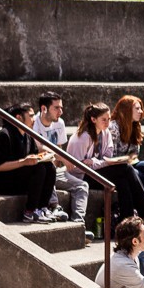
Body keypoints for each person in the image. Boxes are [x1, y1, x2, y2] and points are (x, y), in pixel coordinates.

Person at [67, 103, 144, 222]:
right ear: (93, 119)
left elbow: (107, 158)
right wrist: (100, 163)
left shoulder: (105, 133)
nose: (108, 123)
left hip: (95, 172)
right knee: (126, 168)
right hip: (82, 176)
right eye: (103, 119)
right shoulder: (82, 137)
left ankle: (127, 220)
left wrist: (94, 162)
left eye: (109, 119)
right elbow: (75, 168)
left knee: (122, 181)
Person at [0, 103, 57, 224]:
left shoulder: (28, 135)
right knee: (39, 169)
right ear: (19, 118)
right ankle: (29, 212)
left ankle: (41, 208)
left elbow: (33, 156)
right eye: (31, 116)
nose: (34, 120)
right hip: (2, 182)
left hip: (19, 179)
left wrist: (44, 157)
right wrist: (24, 162)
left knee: (49, 167)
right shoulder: (4, 135)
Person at [31, 91, 85, 222]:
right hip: (39, 167)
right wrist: (63, 159)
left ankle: (78, 222)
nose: (60, 111)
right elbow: (39, 148)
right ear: (44, 108)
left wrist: (60, 161)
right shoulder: (34, 123)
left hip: (54, 168)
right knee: (49, 170)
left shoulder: (59, 123)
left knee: (82, 186)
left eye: (61, 107)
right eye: (56, 108)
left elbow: (59, 148)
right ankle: (55, 206)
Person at [109, 95, 144, 195]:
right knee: (139, 175)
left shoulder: (135, 126)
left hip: (130, 163)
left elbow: (135, 153)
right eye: (137, 109)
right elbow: (112, 156)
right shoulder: (113, 128)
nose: (141, 111)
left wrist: (130, 158)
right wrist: (128, 158)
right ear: (127, 110)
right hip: (117, 167)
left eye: (141, 108)